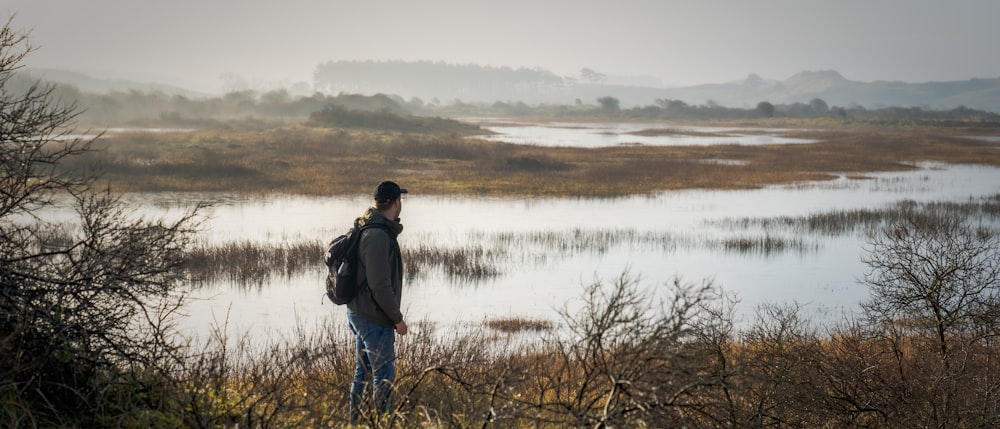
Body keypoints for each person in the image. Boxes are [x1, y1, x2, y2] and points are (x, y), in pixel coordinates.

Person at [347, 180, 408, 423]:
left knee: (362, 373)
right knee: (384, 375)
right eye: (400, 200)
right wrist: (397, 318)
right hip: (373, 317)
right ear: (395, 203)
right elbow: (379, 285)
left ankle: (355, 423)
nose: (401, 204)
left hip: (362, 312)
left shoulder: (371, 226)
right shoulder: (377, 235)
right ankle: (384, 422)